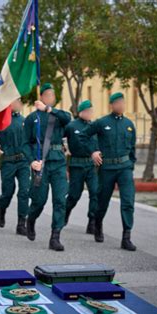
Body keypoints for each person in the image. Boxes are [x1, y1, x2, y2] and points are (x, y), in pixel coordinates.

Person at [80, 92, 137, 251]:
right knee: (102, 201)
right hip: (107, 169)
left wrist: (131, 164)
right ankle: (97, 224)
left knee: (128, 201)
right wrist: (93, 151)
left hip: (124, 168)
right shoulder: (102, 122)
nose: (121, 105)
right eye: (117, 103)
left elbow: (132, 148)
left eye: (123, 102)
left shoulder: (129, 124)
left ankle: (126, 237)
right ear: (111, 105)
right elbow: (83, 136)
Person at [22, 83, 72, 251]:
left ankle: (55, 236)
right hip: (41, 164)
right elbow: (25, 144)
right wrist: (31, 161)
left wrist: (49, 109)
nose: (51, 97)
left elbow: (68, 118)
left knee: (59, 200)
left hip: (58, 162)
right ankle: (31, 219)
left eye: (53, 95)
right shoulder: (32, 119)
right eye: (48, 94)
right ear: (41, 96)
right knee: (39, 200)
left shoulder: (58, 115)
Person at [0, 99, 30, 235]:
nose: (20, 104)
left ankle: (22, 223)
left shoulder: (24, 120)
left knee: (24, 192)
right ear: (9, 104)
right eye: (17, 101)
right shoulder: (1, 120)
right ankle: (2, 209)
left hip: (23, 162)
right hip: (8, 162)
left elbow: (32, 140)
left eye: (21, 101)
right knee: (8, 192)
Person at [63, 100, 98, 234]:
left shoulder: (94, 126)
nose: (90, 114)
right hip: (76, 165)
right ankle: (65, 214)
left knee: (95, 193)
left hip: (91, 165)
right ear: (81, 112)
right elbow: (58, 137)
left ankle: (92, 222)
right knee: (74, 195)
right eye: (88, 111)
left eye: (91, 111)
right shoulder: (71, 126)